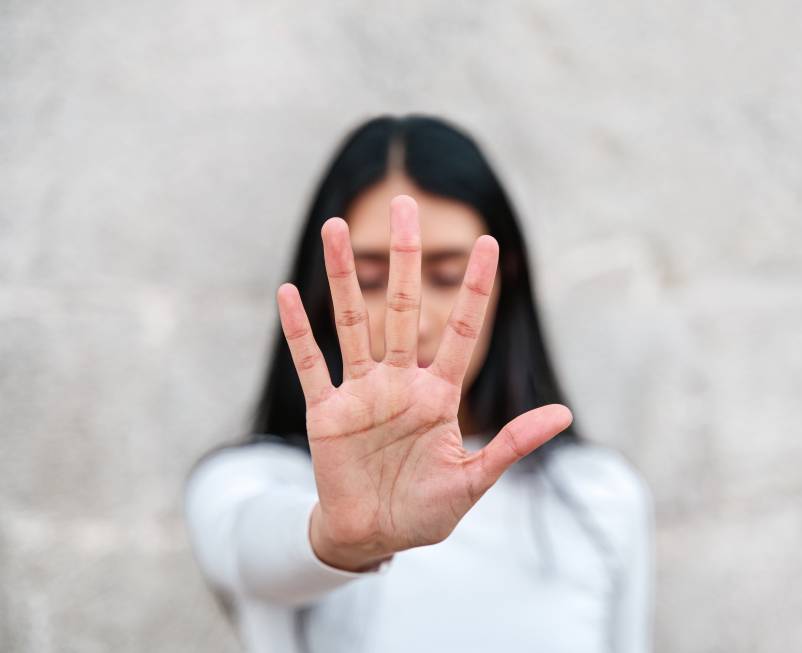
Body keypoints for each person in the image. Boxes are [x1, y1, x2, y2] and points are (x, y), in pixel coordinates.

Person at [183, 115, 654, 653]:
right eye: (370, 279)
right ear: (323, 289)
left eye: (449, 275)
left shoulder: (599, 494)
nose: (413, 319)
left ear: (509, 278)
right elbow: (257, 549)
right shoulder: (249, 483)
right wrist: (342, 539)